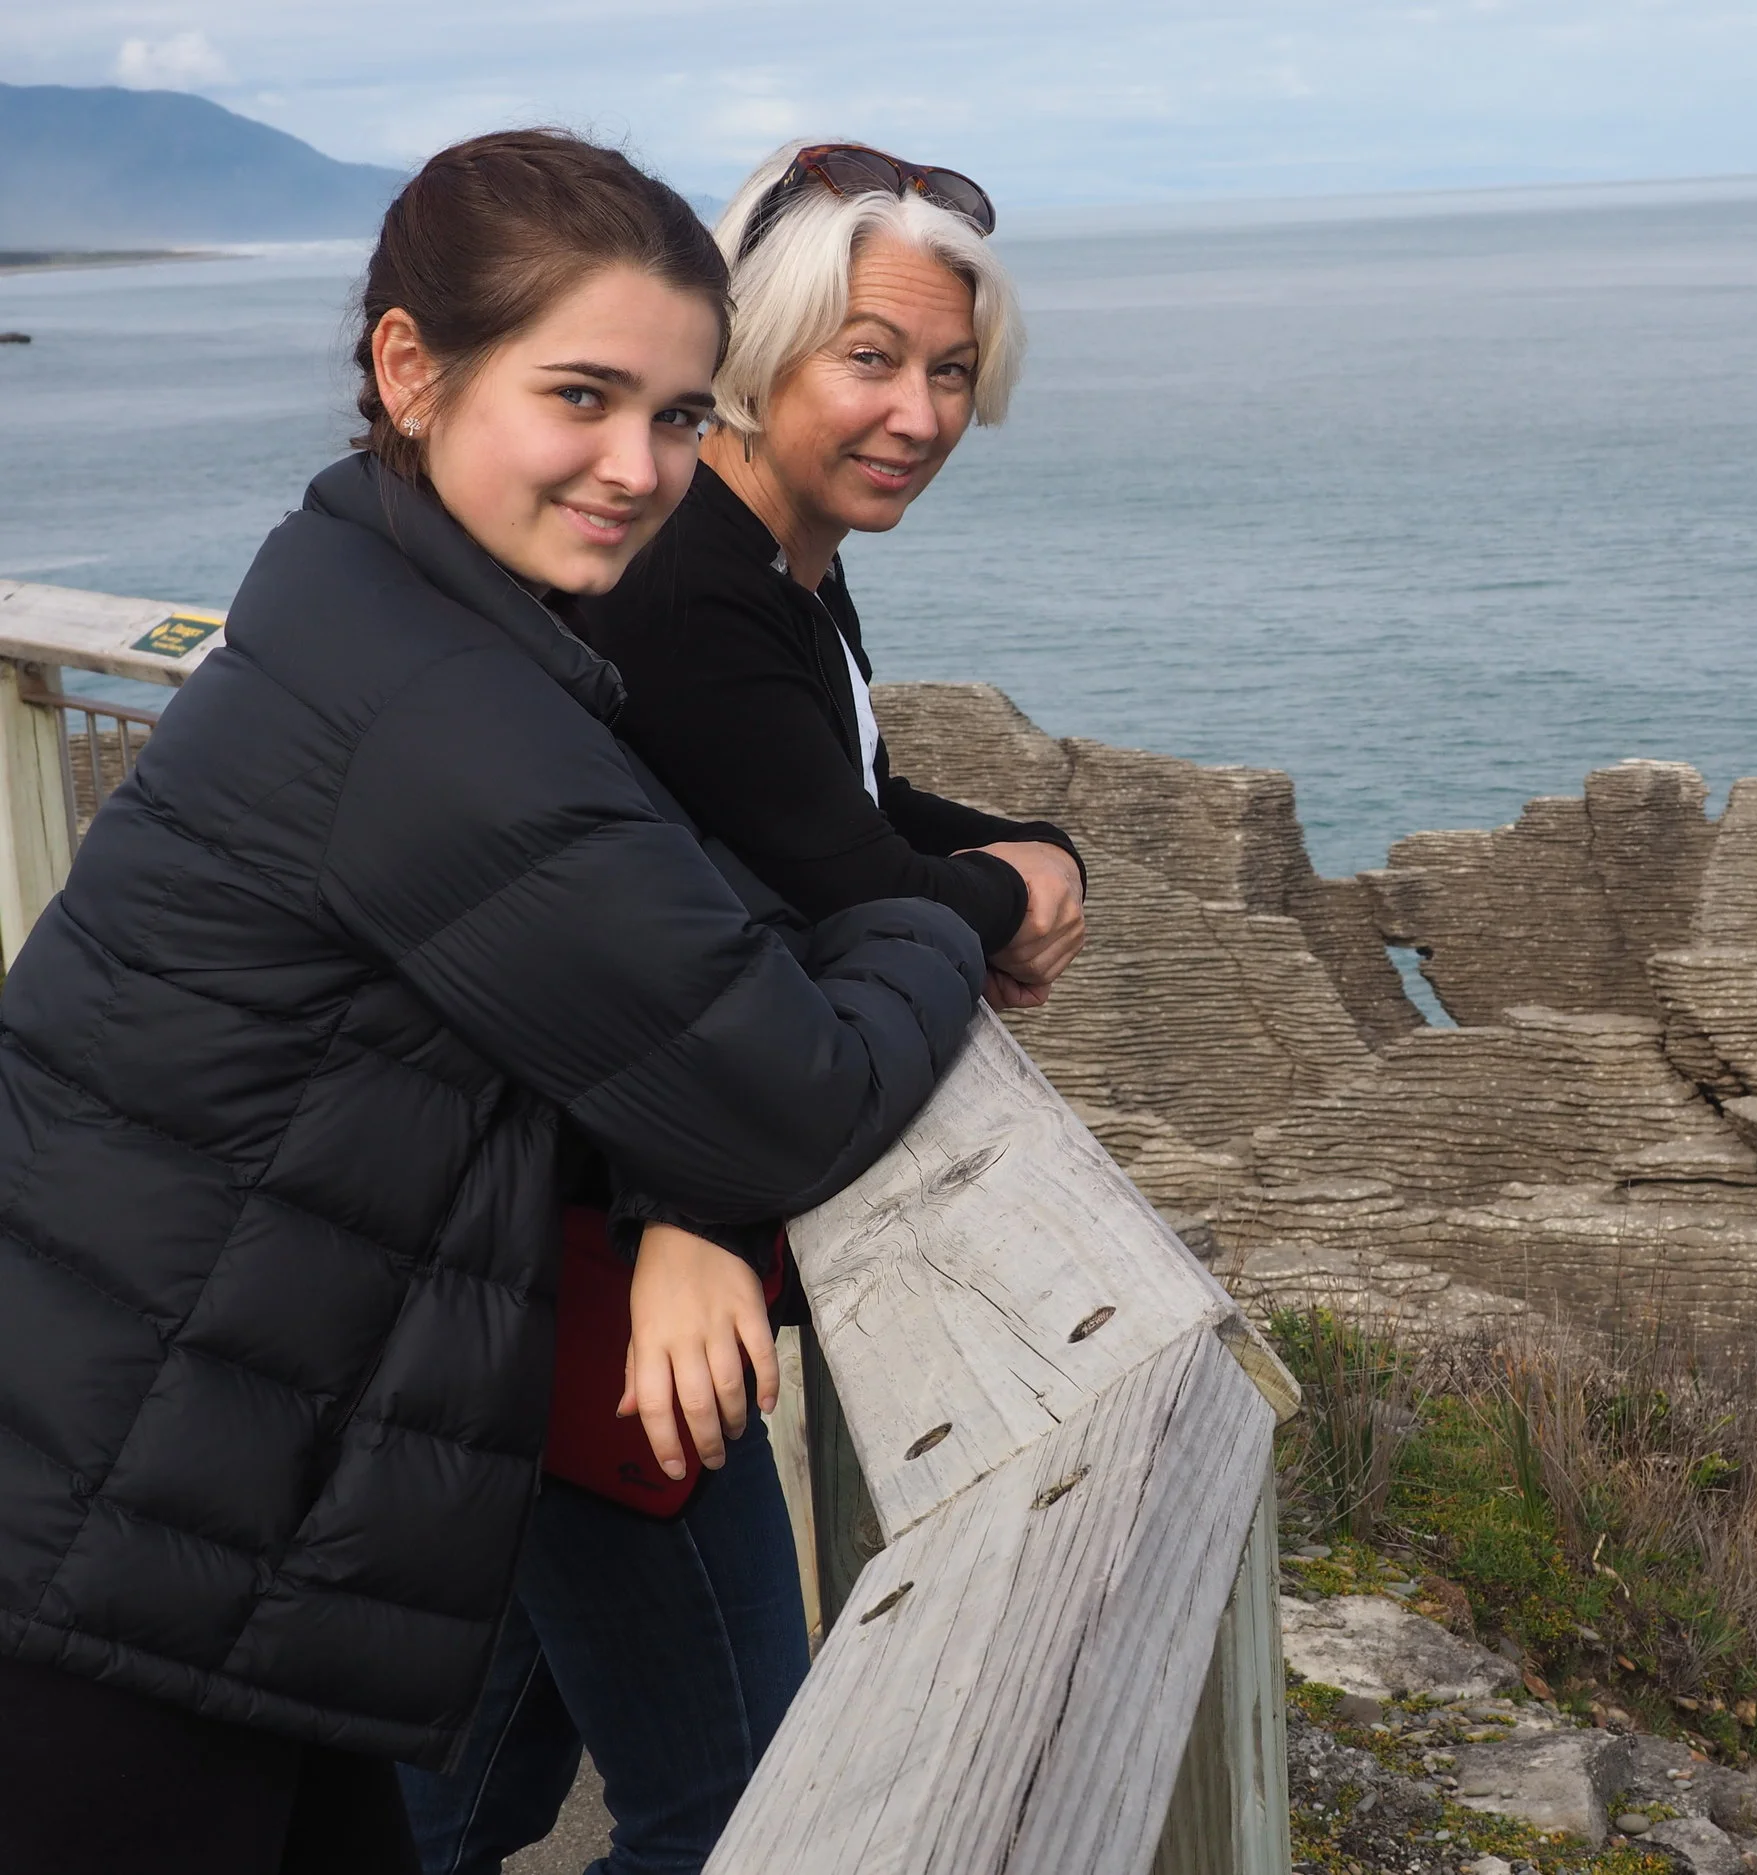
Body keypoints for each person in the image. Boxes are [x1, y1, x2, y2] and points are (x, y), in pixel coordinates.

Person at [0, 130, 985, 1875]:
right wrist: (946, 919)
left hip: (177, 1475)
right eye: (584, 396)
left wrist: (688, 1188)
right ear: (411, 367)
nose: (639, 465)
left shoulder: (372, 593)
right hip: (111, 1541)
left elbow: (657, 927)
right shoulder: (442, 714)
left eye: (679, 415)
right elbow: (792, 1079)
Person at [396, 141, 1088, 1875]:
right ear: (759, 357)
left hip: (544, 1253)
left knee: (455, 1795)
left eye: (946, 372)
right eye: (871, 358)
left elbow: (816, 807)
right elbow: (834, 897)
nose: (919, 414)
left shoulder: (774, 550)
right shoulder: (698, 585)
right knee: (742, 1809)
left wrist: (1015, 843)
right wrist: (1008, 890)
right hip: (613, 1271)